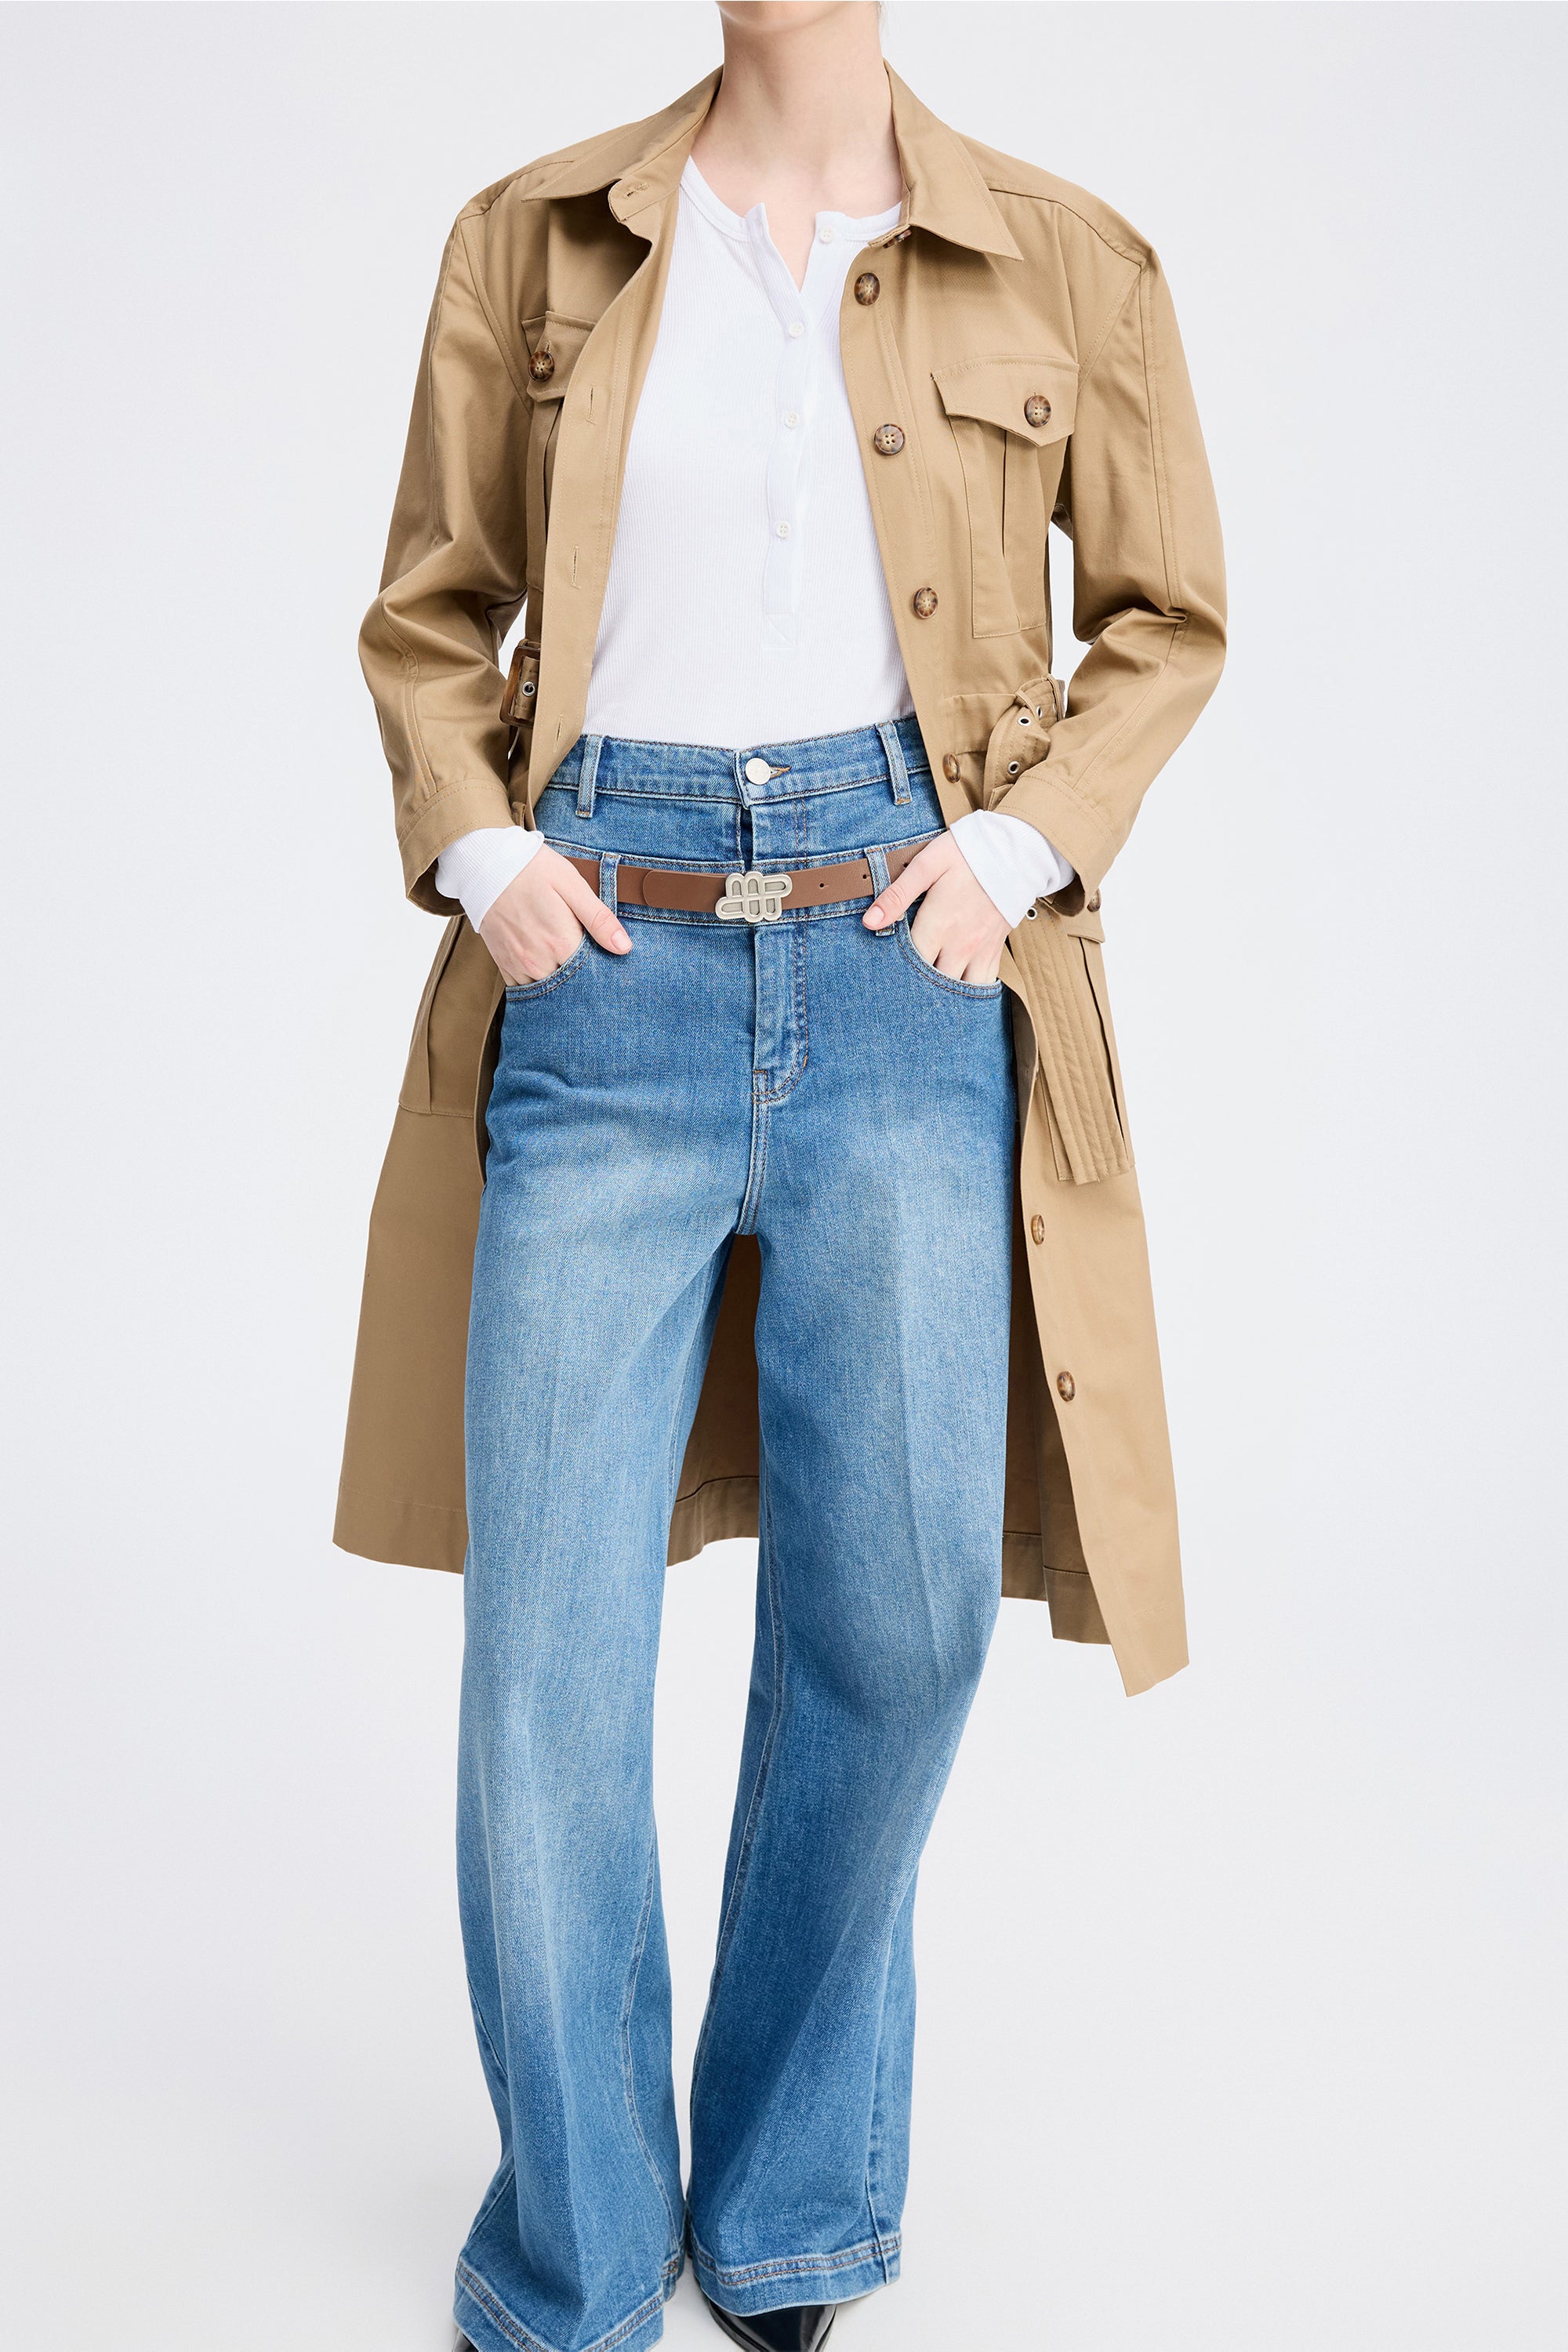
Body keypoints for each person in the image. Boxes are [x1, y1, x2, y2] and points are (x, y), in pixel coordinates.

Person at [336, 4, 1225, 2347]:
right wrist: (488, 850)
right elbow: (430, 616)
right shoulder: (532, 240)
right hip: (604, 973)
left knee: (901, 1619)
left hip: (905, 973)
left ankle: (796, 2200)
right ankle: (578, 2240)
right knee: (548, 1655)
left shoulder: (1070, 260)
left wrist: (1017, 848)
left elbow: (1170, 621)